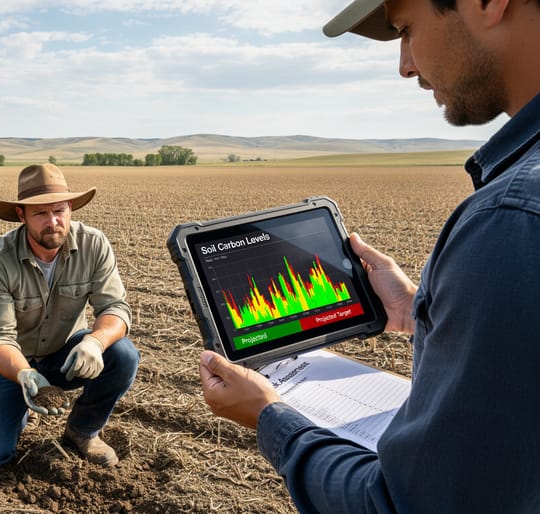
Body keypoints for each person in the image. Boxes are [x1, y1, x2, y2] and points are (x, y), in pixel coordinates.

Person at [199, 0, 540, 512]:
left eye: (406, 29)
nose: (404, 65)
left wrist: (271, 417)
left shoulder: (511, 219)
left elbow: (402, 503)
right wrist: (414, 309)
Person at [0, 163, 139, 473]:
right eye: (40, 214)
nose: (53, 222)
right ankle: (18, 407)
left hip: (65, 357)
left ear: (70, 207)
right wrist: (24, 375)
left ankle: (83, 430)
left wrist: (95, 343)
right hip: (11, 365)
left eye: (59, 211)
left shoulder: (93, 245)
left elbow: (116, 309)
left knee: (123, 354)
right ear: (21, 216)